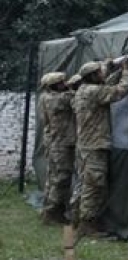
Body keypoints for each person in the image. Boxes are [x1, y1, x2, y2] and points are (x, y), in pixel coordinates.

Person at [72, 57, 128, 237]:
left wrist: (108, 66)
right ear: (92, 76)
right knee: (94, 185)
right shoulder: (93, 91)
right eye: (98, 72)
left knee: (84, 183)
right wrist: (126, 70)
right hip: (95, 146)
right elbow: (120, 91)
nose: (102, 74)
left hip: (85, 145)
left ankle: (77, 217)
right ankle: (87, 224)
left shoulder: (82, 90)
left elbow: (103, 83)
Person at [37, 72, 76, 225]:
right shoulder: (59, 98)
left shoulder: (44, 97)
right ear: (54, 86)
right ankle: (52, 212)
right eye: (61, 82)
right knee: (62, 178)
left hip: (54, 142)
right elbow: (74, 96)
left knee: (53, 177)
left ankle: (49, 209)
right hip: (61, 143)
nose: (65, 83)